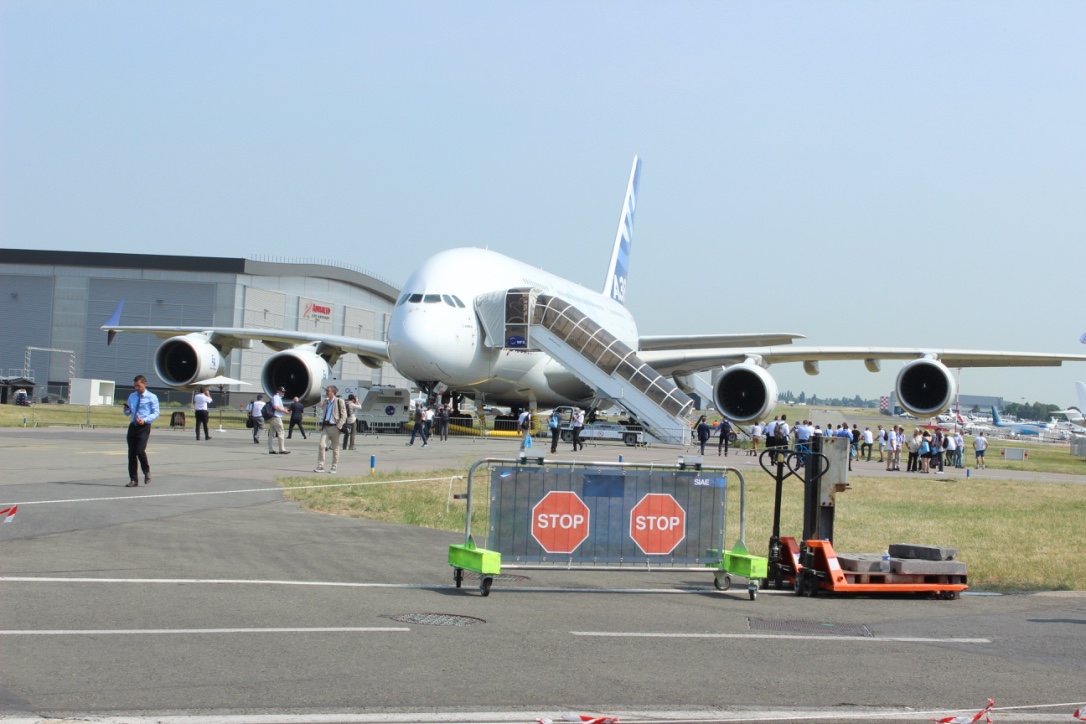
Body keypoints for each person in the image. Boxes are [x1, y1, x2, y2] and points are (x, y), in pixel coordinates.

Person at [124, 374, 160, 487]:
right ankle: (133, 480)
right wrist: (126, 410)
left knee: (140, 451)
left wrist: (145, 420)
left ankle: (146, 471)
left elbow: (156, 413)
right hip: (133, 425)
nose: (136, 388)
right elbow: (128, 412)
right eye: (135, 386)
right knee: (131, 454)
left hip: (144, 426)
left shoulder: (152, 397)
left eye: (138, 386)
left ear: (144, 384)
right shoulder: (132, 396)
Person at [314, 385, 347, 474]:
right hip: (326, 427)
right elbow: (321, 407)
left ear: (333, 392)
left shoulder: (339, 401)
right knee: (322, 445)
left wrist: (339, 426)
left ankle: (334, 466)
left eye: (328, 391)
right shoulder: (326, 401)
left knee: (335, 448)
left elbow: (344, 415)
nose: (326, 392)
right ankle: (320, 465)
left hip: (335, 427)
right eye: (326, 390)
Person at [267, 387, 290, 455]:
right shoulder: (276, 397)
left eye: (284, 392)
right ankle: (281, 449)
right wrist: (284, 411)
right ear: (278, 391)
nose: (283, 393)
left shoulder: (277, 398)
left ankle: (271, 449)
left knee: (271, 434)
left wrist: (285, 409)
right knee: (281, 432)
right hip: (276, 417)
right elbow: (276, 407)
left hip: (273, 417)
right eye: (282, 391)